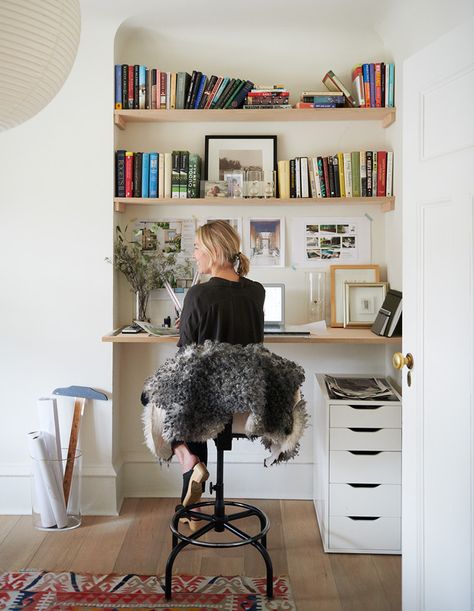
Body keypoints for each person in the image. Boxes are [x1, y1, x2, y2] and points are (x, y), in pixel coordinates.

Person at [173, 220, 265, 526]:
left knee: (157, 394)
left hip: (208, 399)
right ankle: (189, 502)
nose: (194, 254)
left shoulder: (198, 295)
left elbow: (185, 353)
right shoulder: (256, 292)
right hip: (246, 396)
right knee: (192, 394)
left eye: (198, 247)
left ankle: (191, 462)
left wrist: (187, 321)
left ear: (214, 251)